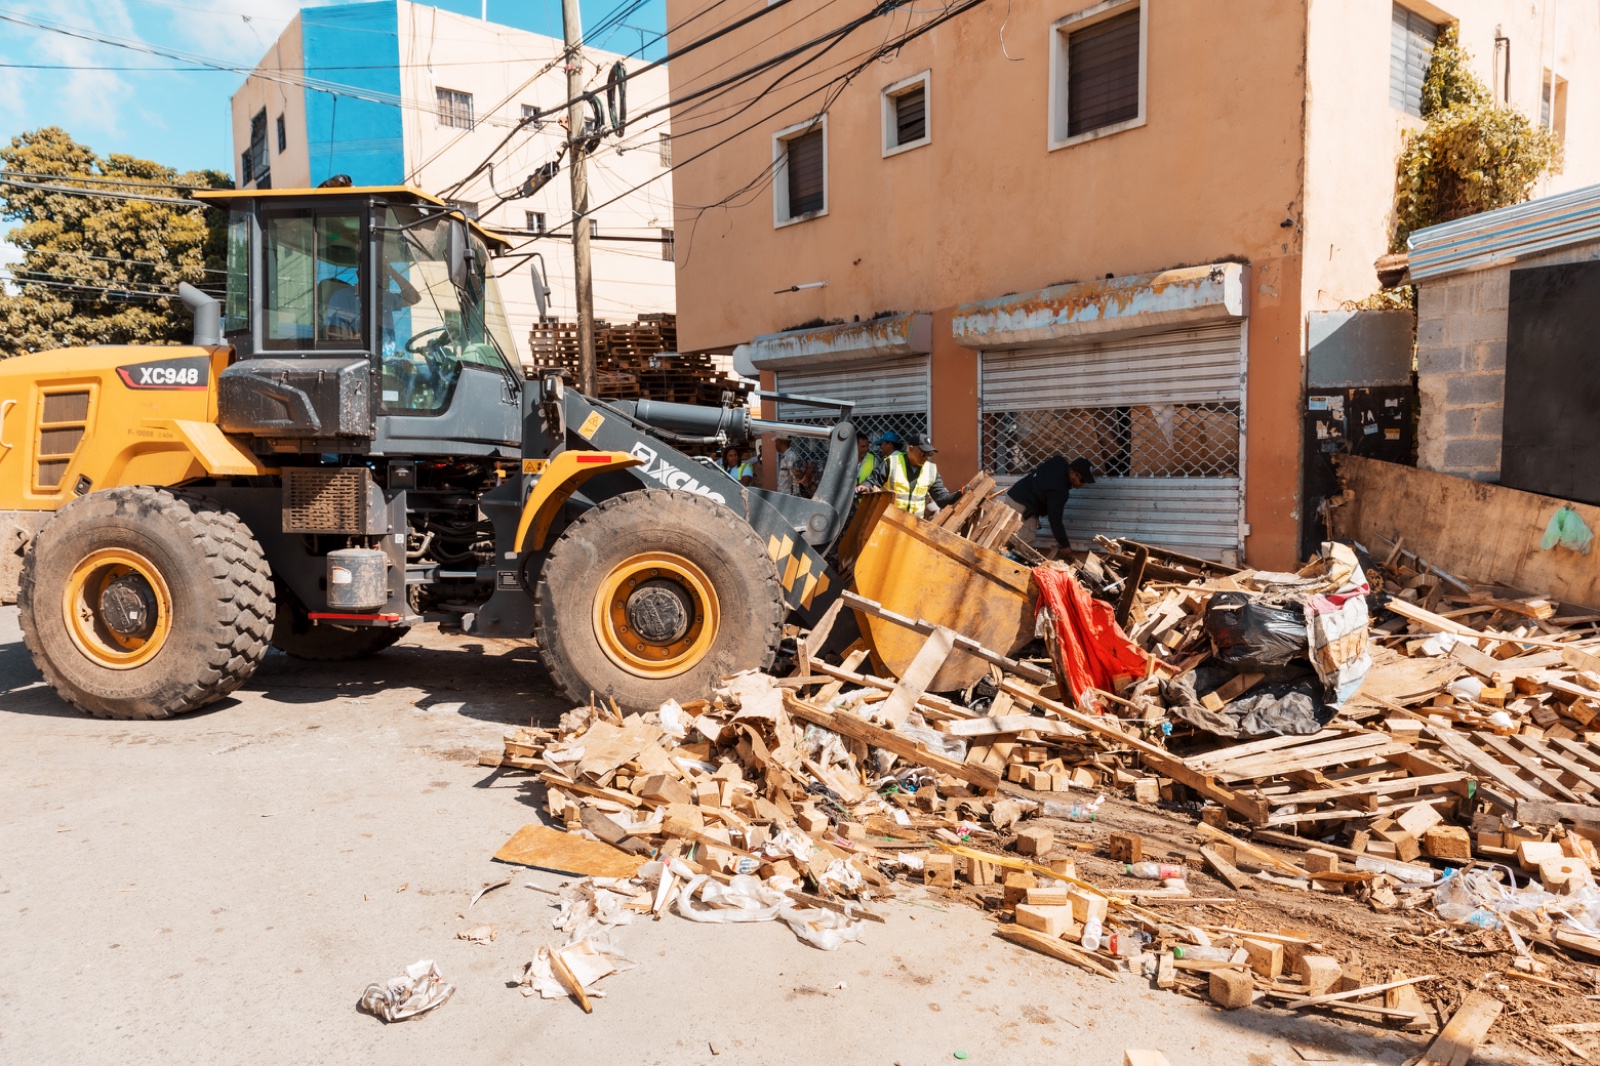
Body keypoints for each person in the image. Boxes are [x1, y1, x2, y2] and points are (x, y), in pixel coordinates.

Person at [1000, 456, 1095, 552]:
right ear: (1073, 474)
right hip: (1022, 505)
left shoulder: (1058, 461)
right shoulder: (1059, 491)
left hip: (1013, 495)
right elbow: (1055, 520)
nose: (1083, 484)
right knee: (1023, 545)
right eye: (1083, 480)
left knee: (1008, 538)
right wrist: (1065, 545)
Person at [869, 432, 961, 517]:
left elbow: (942, 499)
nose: (926, 457)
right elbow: (872, 481)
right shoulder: (892, 463)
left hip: (913, 526)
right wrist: (865, 486)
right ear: (911, 449)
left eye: (929, 454)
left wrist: (960, 493)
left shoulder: (931, 471)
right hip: (889, 521)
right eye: (923, 453)